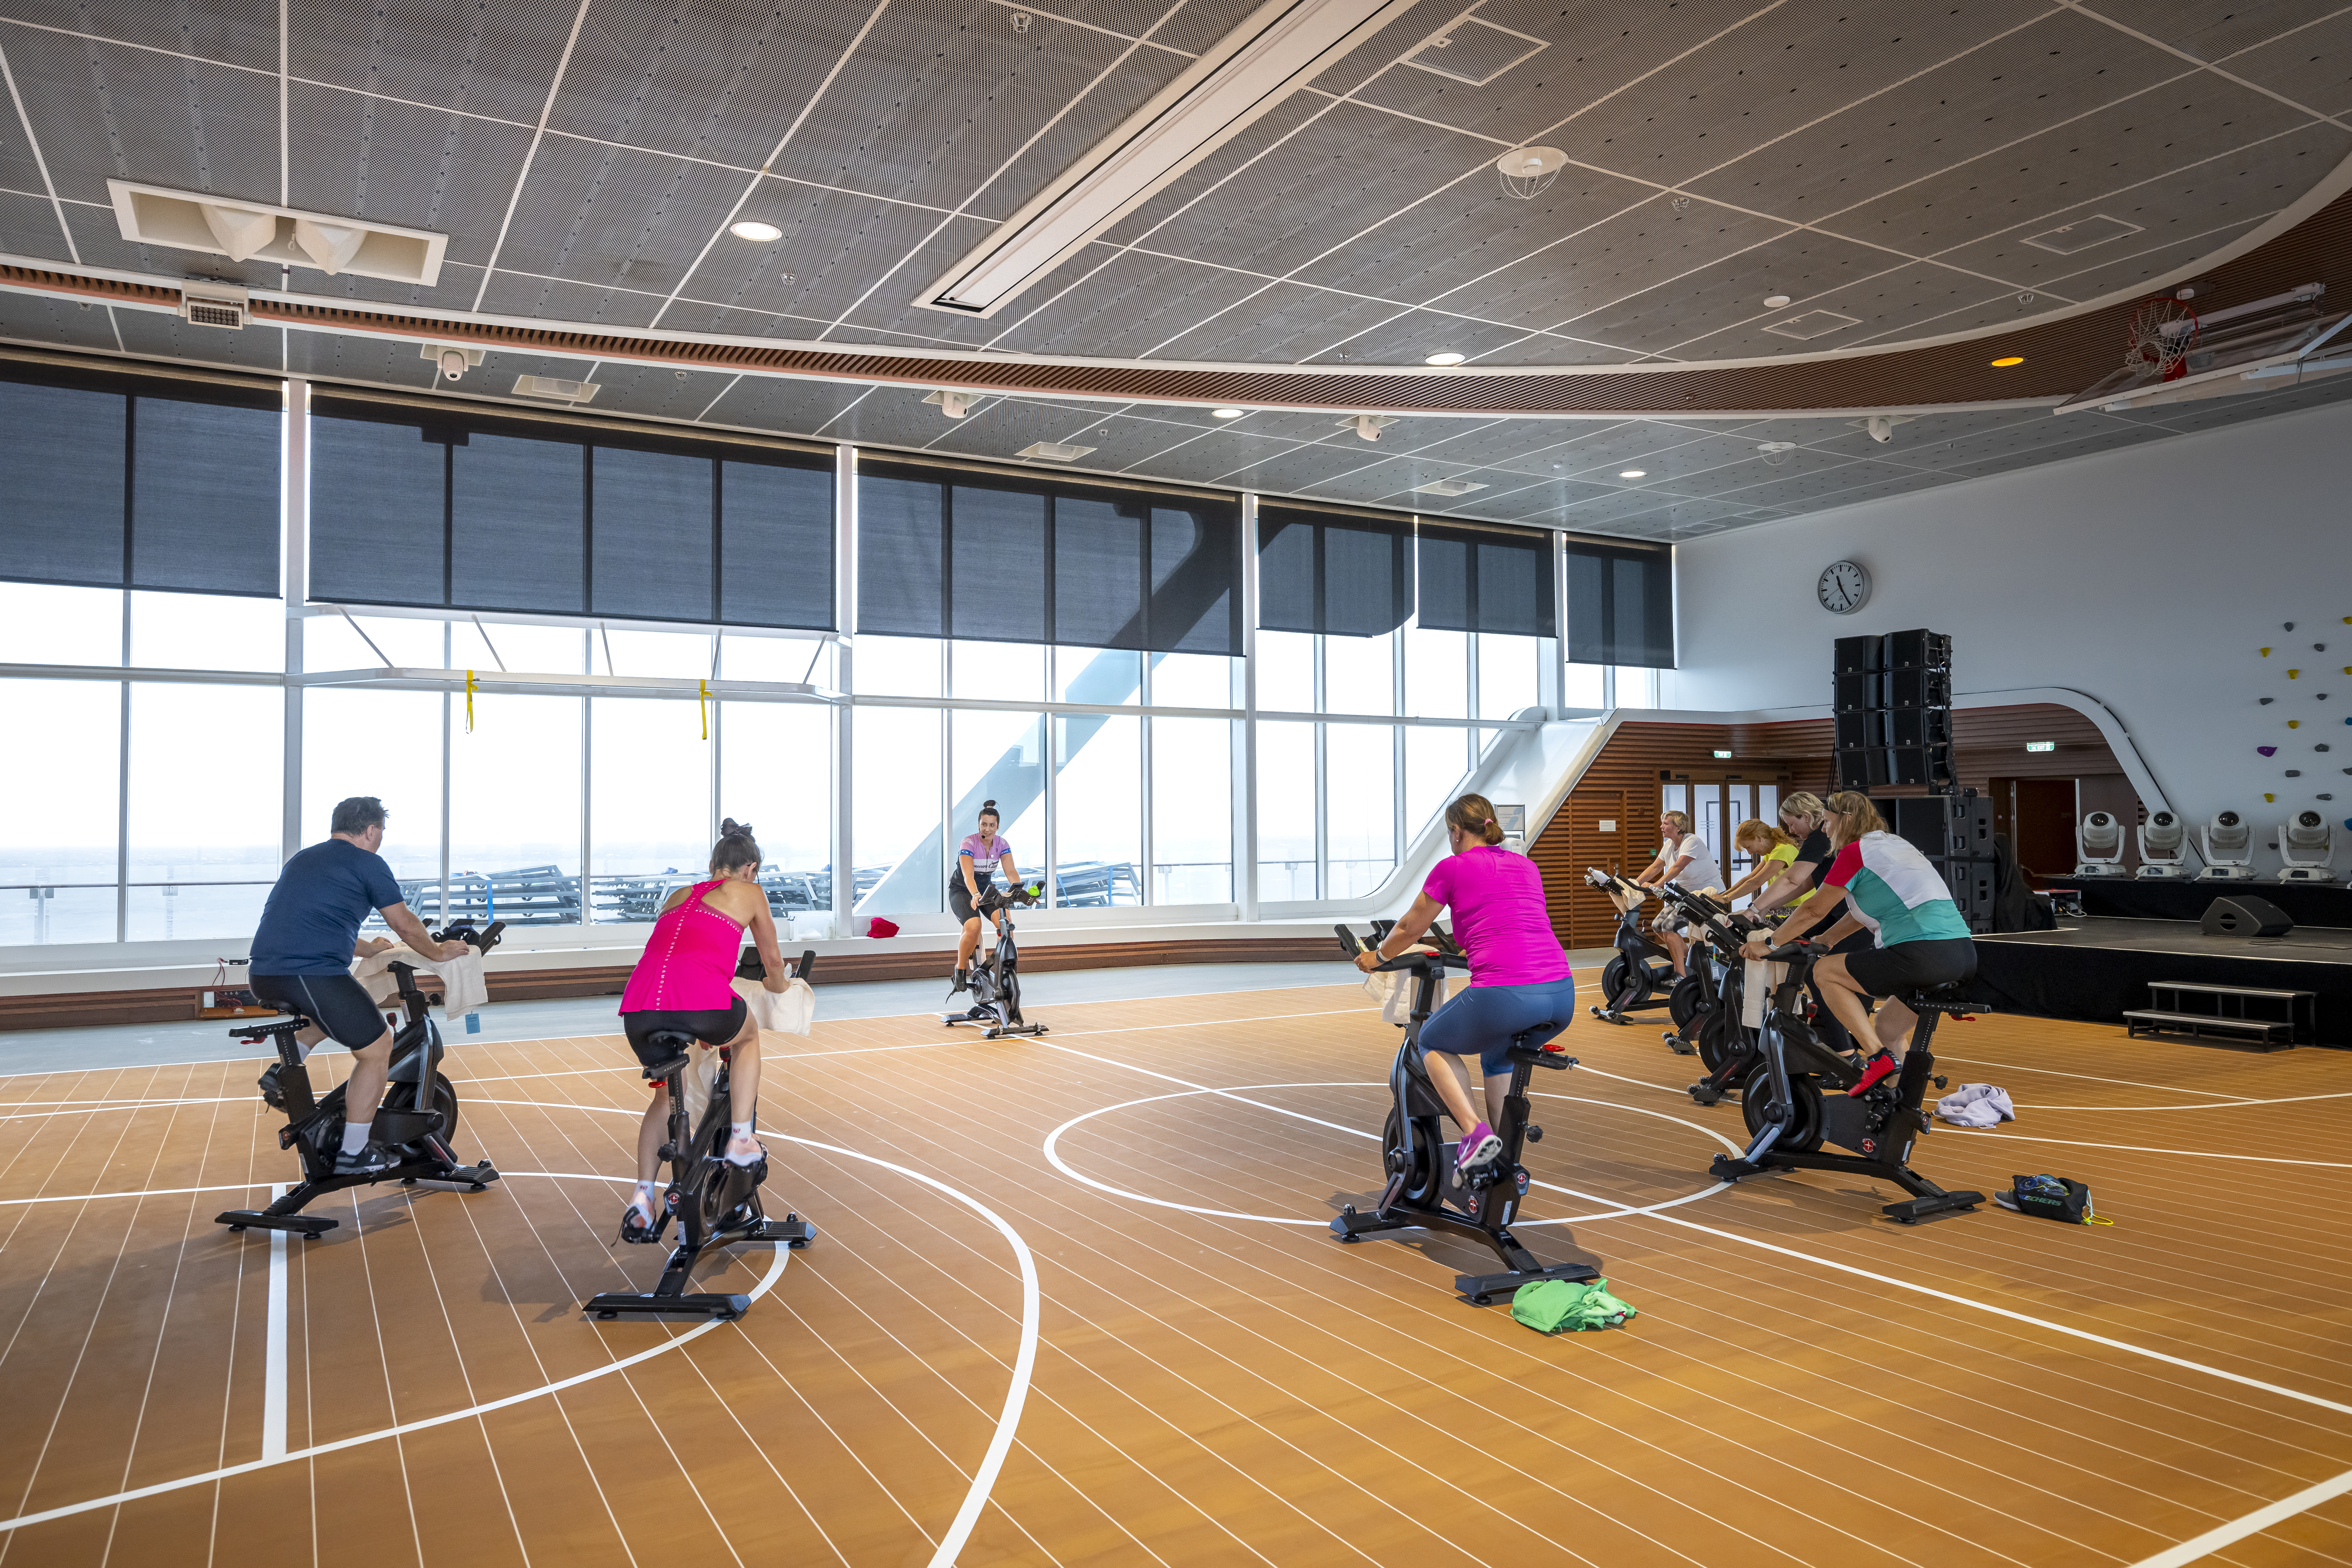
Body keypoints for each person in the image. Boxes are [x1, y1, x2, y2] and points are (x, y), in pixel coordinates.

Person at [1352, 792, 1573, 1179]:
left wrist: (1376, 958)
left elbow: (1409, 928)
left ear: (1456, 832)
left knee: (1432, 1043)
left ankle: (1474, 1134)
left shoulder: (1451, 867)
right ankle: (1502, 1165)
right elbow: (1512, 922)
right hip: (1561, 993)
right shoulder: (1526, 866)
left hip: (1505, 994)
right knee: (1498, 1057)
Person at [248, 797, 473, 1176]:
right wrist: (437, 952)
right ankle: (353, 1155)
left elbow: (313, 919)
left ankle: (282, 1071)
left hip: (265, 974)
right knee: (379, 1046)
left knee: (337, 1012)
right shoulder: (369, 863)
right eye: (381, 831)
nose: (381, 838)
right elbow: (404, 923)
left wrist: (368, 948)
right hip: (312, 973)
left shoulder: (304, 860)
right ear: (371, 830)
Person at [615, 819, 795, 1241]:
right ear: (750, 868)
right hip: (700, 1002)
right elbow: (772, 963)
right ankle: (740, 1139)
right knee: (748, 1036)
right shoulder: (750, 892)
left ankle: (642, 1196)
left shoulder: (678, 895)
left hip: (640, 1009)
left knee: (665, 1096)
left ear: (714, 862)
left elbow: (677, 951)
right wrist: (781, 986)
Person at [1740, 791, 1977, 1094]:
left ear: (1846, 820)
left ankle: (1876, 1058)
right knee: (1888, 1029)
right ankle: (1898, 1100)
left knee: (1824, 973)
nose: (1824, 830)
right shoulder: (1897, 845)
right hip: (1962, 954)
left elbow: (1814, 908)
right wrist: (1828, 938)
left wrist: (1770, 945)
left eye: (1827, 822)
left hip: (1922, 953)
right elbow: (1869, 909)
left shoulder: (1856, 852)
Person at [1631, 809, 1725, 976]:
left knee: (1669, 927)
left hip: (1707, 895)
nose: (1661, 827)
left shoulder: (1692, 841)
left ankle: (1680, 975)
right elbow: (1656, 867)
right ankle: (1693, 962)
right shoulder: (1669, 845)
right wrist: (1633, 884)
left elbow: (1678, 867)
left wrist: (1658, 884)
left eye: (1665, 824)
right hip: (1688, 895)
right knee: (1657, 926)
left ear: (1679, 827)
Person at [949, 800, 1021, 997]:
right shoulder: (969, 843)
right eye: (984, 824)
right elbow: (968, 876)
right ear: (978, 824)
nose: (987, 829)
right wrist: (974, 894)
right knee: (974, 926)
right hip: (963, 890)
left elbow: (1011, 872)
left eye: (992, 825)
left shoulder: (1002, 845)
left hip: (986, 890)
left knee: (1005, 920)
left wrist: (1020, 891)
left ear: (998, 826)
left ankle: (1006, 968)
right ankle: (960, 970)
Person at [1718, 818, 1800, 906]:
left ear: (1758, 838)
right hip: (1786, 906)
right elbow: (1750, 878)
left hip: (1798, 906)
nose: (1750, 853)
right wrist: (1722, 896)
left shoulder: (1782, 850)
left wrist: (1726, 899)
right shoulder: (1771, 852)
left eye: (1749, 847)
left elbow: (1756, 882)